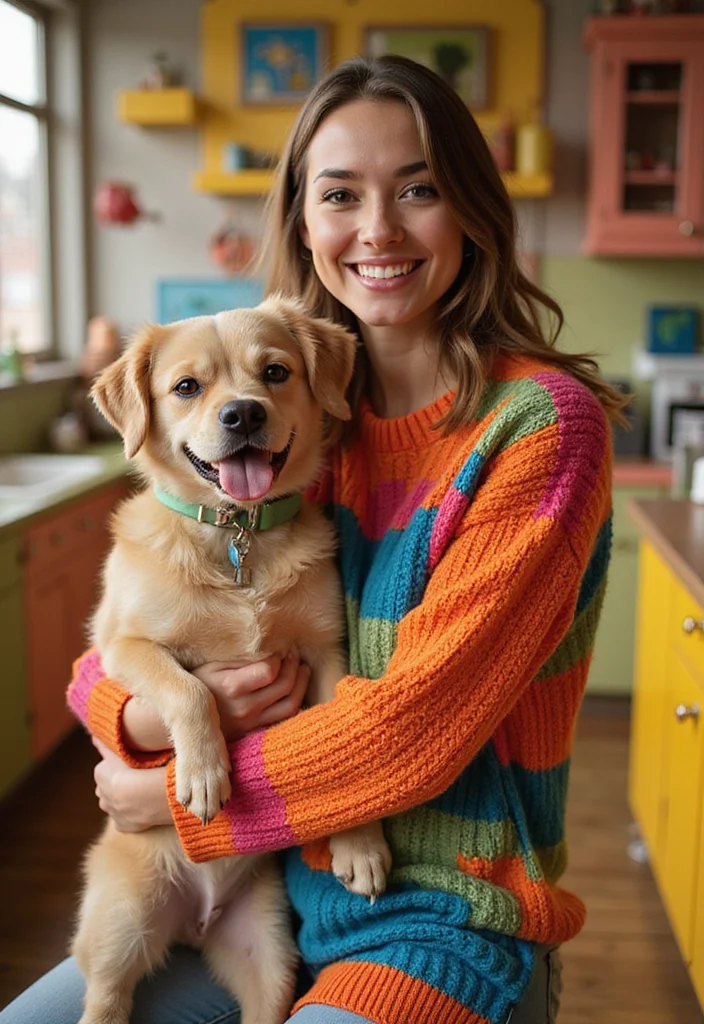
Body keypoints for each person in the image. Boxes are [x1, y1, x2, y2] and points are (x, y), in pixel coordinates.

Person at [1, 55, 625, 1024]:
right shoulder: (291, 437)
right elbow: (103, 668)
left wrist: (166, 799)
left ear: (468, 206)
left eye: (416, 188)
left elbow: (408, 738)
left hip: (442, 914)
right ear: (302, 221)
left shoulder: (538, 428)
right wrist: (147, 724)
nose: (377, 228)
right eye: (340, 194)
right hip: (270, 881)